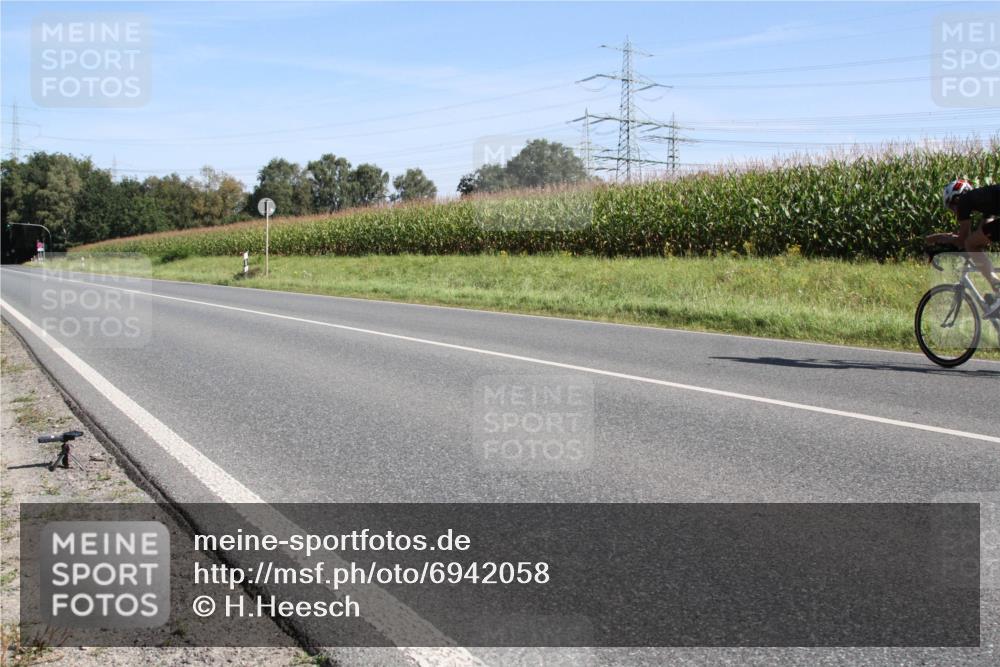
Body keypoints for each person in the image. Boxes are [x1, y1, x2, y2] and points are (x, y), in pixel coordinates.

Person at [926, 179, 1000, 318]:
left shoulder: (964, 201)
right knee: (973, 244)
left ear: (956, 198)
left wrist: (938, 238)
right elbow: (982, 237)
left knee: (970, 244)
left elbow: (964, 240)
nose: (954, 211)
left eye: (951, 206)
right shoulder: (984, 199)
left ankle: (998, 287)